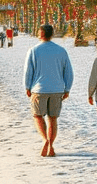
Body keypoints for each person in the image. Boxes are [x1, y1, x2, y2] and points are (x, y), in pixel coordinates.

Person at [24, 23, 73, 157]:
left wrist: (27, 87)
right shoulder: (61, 51)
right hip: (57, 89)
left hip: (39, 89)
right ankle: (51, 145)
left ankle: (45, 140)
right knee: (53, 119)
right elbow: (68, 72)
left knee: (38, 116)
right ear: (52, 34)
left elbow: (28, 71)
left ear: (40, 34)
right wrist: (67, 88)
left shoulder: (34, 50)